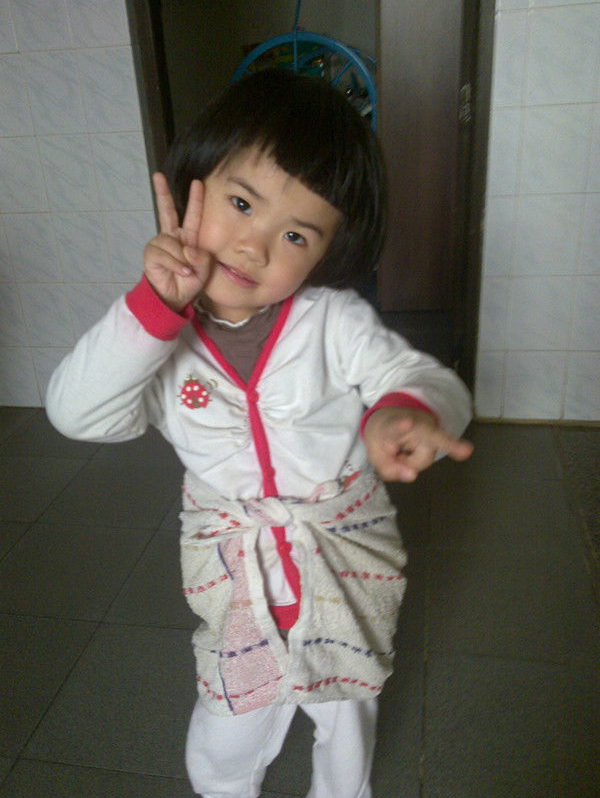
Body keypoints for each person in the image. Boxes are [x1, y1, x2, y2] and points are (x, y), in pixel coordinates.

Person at [46, 68, 473, 798]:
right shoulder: (156, 337)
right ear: (193, 188)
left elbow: (419, 376)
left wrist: (404, 410)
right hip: (236, 572)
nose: (254, 246)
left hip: (340, 562)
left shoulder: (331, 321)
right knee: (228, 725)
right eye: (241, 204)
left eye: (296, 234)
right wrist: (152, 309)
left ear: (328, 253)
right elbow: (77, 412)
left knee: (346, 713)